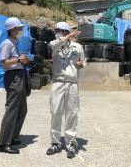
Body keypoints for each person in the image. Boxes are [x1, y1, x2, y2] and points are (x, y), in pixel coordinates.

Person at [46, 22, 85, 159]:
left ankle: (71, 143)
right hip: (58, 82)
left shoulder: (78, 47)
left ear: (65, 31)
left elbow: (82, 63)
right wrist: (68, 36)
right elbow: (54, 45)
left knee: (72, 113)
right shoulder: (54, 44)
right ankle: (55, 142)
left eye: (60, 30)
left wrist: (80, 65)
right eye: (56, 30)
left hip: (72, 83)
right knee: (56, 112)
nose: (57, 32)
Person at [0, 17, 29, 154]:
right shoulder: (6, 43)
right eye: (19, 28)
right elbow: (3, 63)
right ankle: (3, 143)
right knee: (12, 110)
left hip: (19, 74)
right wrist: (18, 59)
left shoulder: (14, 42)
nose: (21, 30)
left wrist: (22, 61)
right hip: (13, 77)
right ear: (12, 29)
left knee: (22, 109)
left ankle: (13, 137)